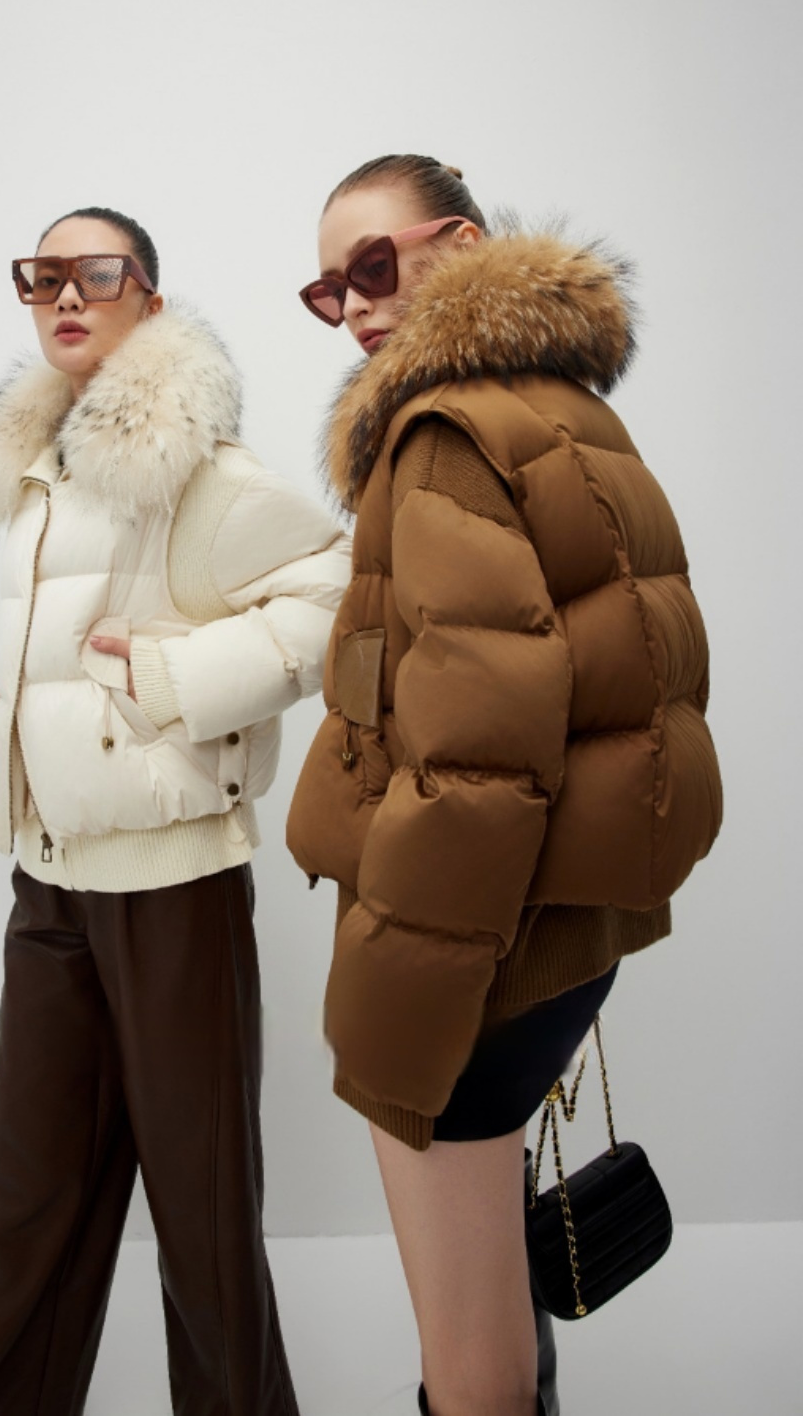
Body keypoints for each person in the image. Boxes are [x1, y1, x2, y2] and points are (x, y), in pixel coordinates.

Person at [286, 156, 722, 1416]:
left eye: (374, 266)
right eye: (328, 291)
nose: (355, 307)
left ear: (462, 243)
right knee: (497, 1290)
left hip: (471, 945)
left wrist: (395, 1001)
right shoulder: (562, 404)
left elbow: (479, 750)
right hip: (562, 929)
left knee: (466, 1344)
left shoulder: (440, 433)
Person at [0, 204, 350, 1416]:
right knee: (27, 1201)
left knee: (203, 1218)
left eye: (97, 272)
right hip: (51, 874)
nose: (66, 293)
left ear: (149, 300)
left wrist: (174, 679)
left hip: (171, 886)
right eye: (43, 274)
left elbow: (336, 598)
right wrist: (16, 711)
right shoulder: (44, 470)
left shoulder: (196, 464)